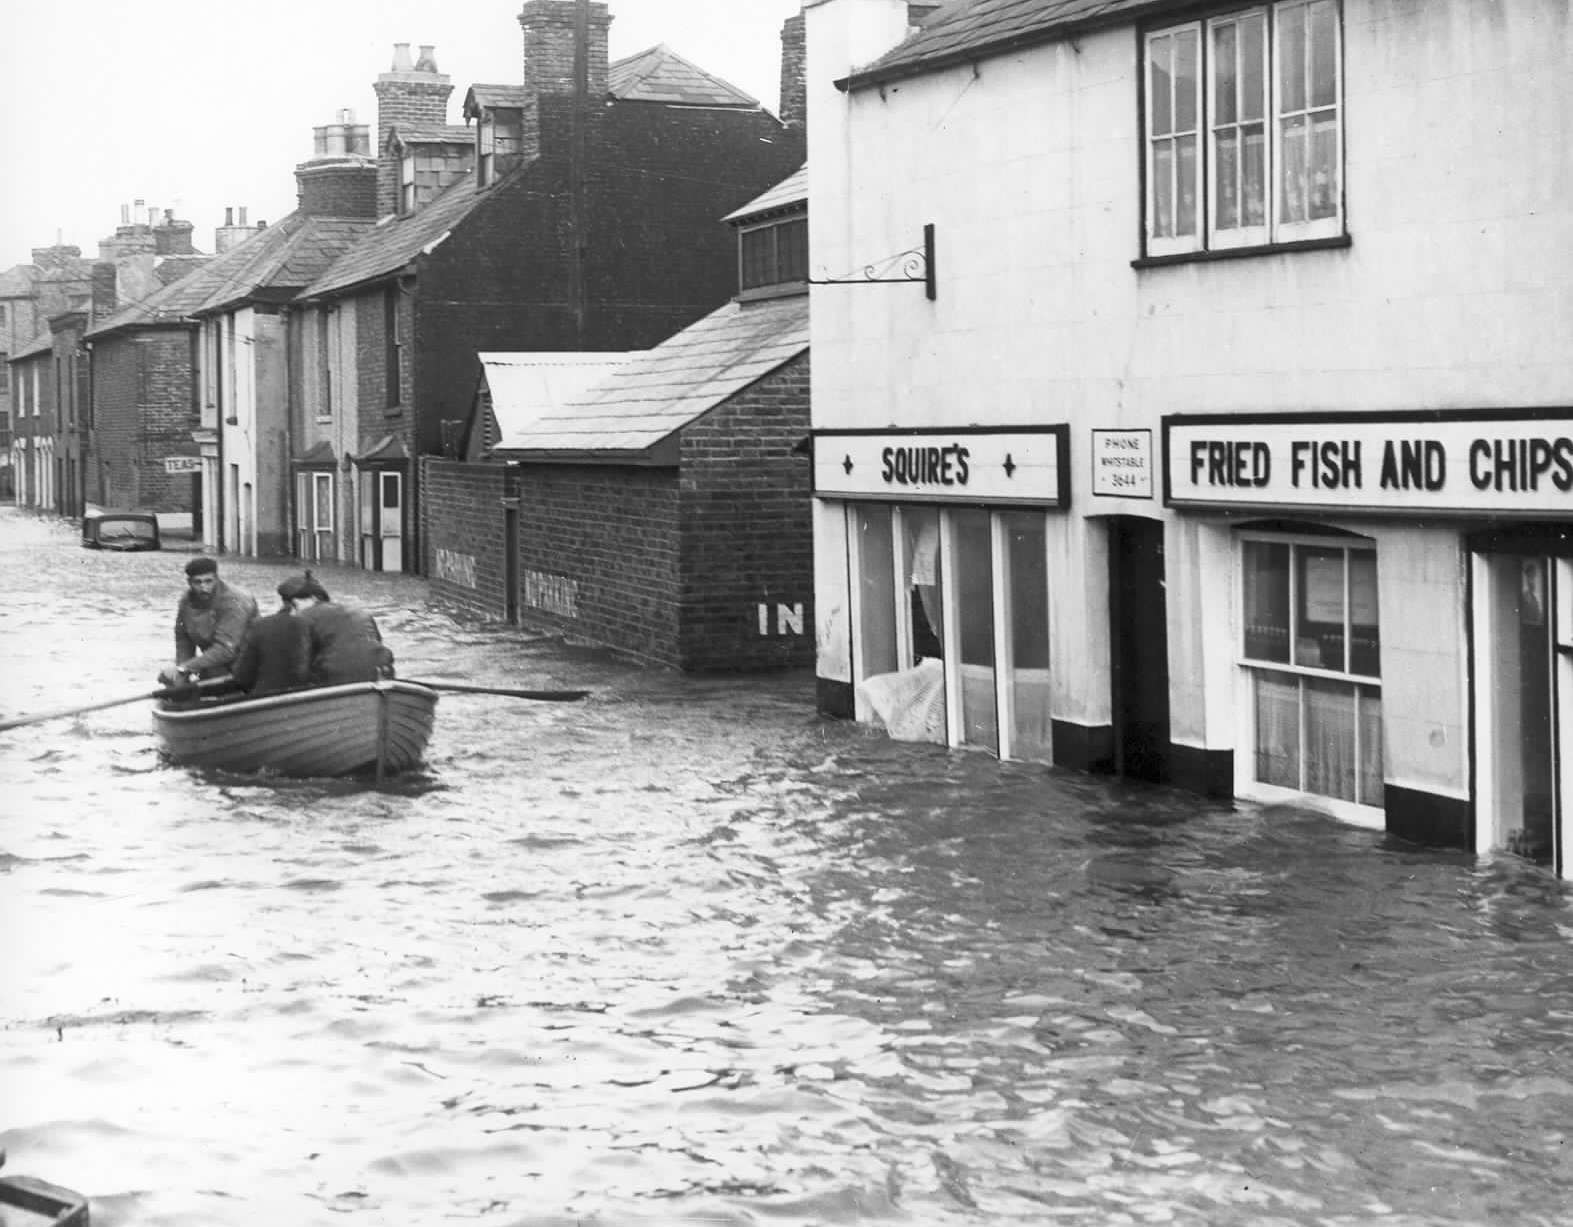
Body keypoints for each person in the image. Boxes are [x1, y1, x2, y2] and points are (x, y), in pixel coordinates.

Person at [158, 557, 259, 687]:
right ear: (189, 582)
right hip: (214, 662)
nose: (203, 587)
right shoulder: (185, 602)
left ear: (216, 579)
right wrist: (181, 672)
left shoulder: (235, 601)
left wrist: (185, 667)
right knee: (171, 682)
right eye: (197, 582)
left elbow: (225, 650)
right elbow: (184, 641)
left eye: (208, 581)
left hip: (246, 664)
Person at [282, 573, 396, 686]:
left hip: (334, 682)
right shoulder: (359, 612)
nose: (293, 611)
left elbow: (296, 664)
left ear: (313, 598)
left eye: (294, 604)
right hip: (381, 676)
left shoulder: (302, 618)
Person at [229, 580, 314, 697]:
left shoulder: (260, 625)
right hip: (305, 698)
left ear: (283, 601)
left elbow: (241, 675)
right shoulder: (311, 623)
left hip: (262, 697)